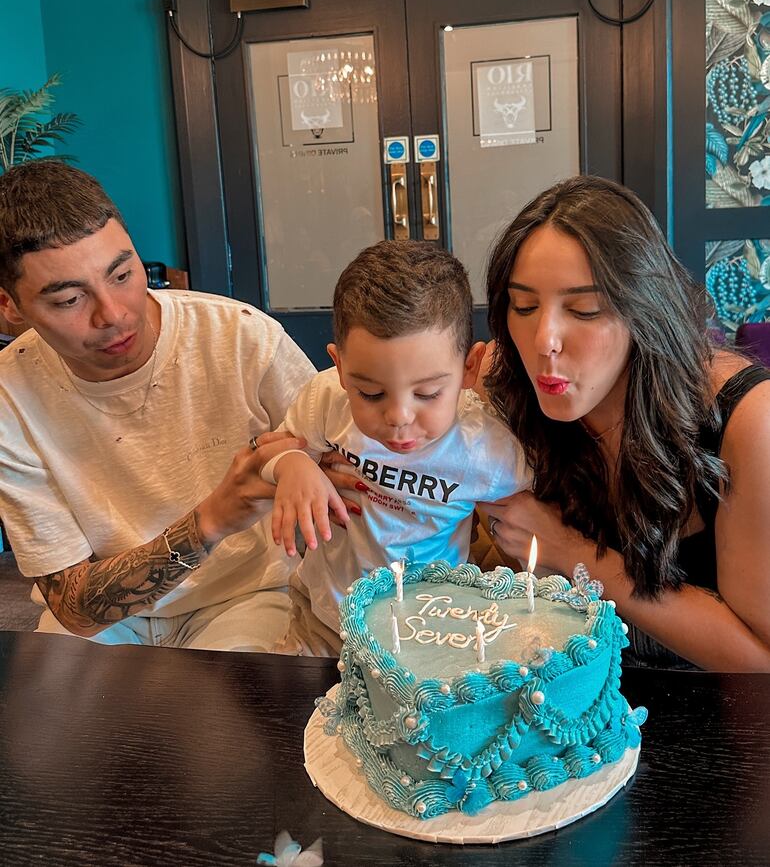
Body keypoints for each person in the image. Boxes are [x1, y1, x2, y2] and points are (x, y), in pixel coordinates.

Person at [0, 160, 320, 651]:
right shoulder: (10, 394)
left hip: (246, 595)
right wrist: (212, 519)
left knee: (232, 723)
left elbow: (343, 461)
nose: (114, 313)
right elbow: (75, 608)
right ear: (10, 307)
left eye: (124, 274)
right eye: (68, 300)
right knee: (56, 726)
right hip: (106, 622)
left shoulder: (241, 338)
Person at [480, 175, 770, 671]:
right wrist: (303, 455)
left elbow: (758, 661)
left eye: (584, 310)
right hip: (569, 702)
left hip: (712, 726)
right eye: (524, 306)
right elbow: (361, 405)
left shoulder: (748, 422)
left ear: (645, 311)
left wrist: (574, 552)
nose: (544, 340)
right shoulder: (502, 384)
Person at [262, 240, 530, 656]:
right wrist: (293, 464)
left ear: (469, 369)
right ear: (340, 368)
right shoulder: (327, 400)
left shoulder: (486, 448)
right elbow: (272, 450)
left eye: (427, 393)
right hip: (326, 620)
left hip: (434, 631)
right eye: (370, 393)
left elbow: (540, 500)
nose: (399, 416)